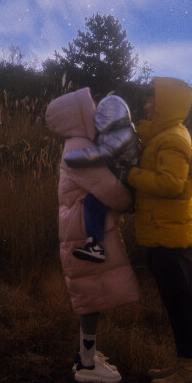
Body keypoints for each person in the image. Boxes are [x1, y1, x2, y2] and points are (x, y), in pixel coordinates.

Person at [45, 87, 139, 383]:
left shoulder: (78, 143)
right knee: (90, 297)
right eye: (92, 107)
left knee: (92, 295)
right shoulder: (78, 146)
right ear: (79, 115)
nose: (97, 111)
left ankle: (88, 354)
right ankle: (86, 364)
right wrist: (131, 200)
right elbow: (111, 191)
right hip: (83, 232)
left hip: (80, 229)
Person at [127, 76, 192, 383]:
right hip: (162, 231)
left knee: (180, 302)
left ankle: (189, 375)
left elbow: (171, 184)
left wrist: (130, 175)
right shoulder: (164, 136)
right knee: (175, 301)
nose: (146, 105)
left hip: (169, 235)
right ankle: (183, 366)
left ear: (167, 105)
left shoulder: (172, 139)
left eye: (152, 100)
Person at [63, 94, 142, 263]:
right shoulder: (118, 131)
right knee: (93, 203)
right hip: (121, 181)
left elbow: (102, 153)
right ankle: (95, 246)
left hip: (126, 184)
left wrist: (72, 158)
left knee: (93, 202)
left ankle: (95, 246)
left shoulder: (124, 133)